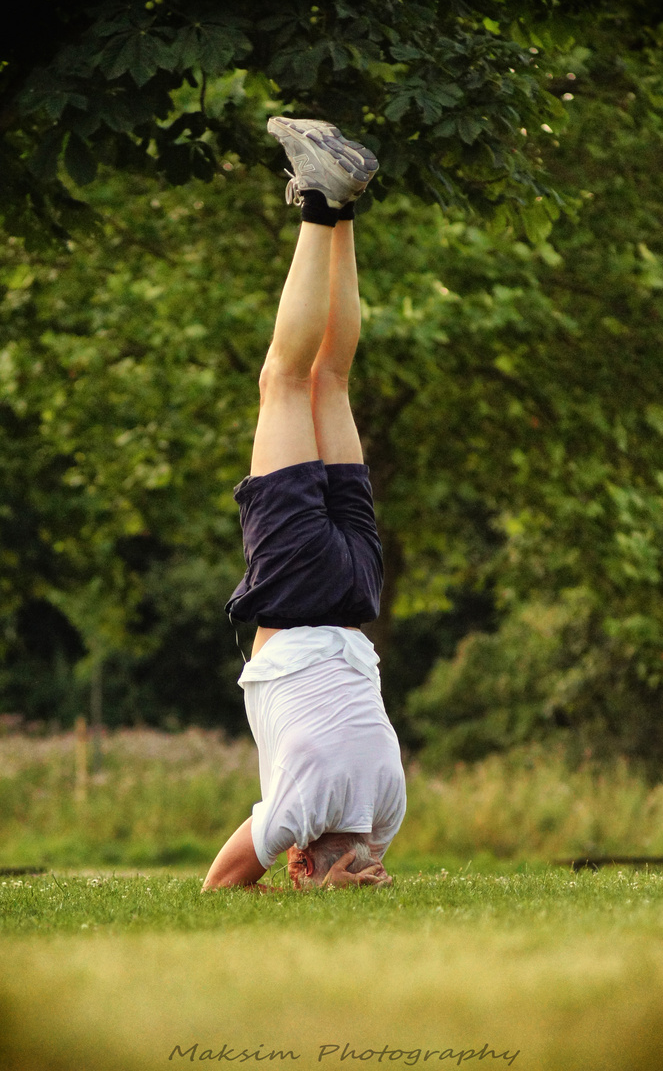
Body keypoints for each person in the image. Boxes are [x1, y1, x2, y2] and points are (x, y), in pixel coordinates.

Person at [202, 118, 406, 892]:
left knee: (328, 380)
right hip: (298, 598)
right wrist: (314, 881)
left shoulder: (387, 808)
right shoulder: (297, 813)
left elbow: (356, 838)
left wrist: (345, 869)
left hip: (356, 596)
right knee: (284, 381)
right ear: (297, 858)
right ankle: (319, 200)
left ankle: (343, 206)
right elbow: (220, 884)